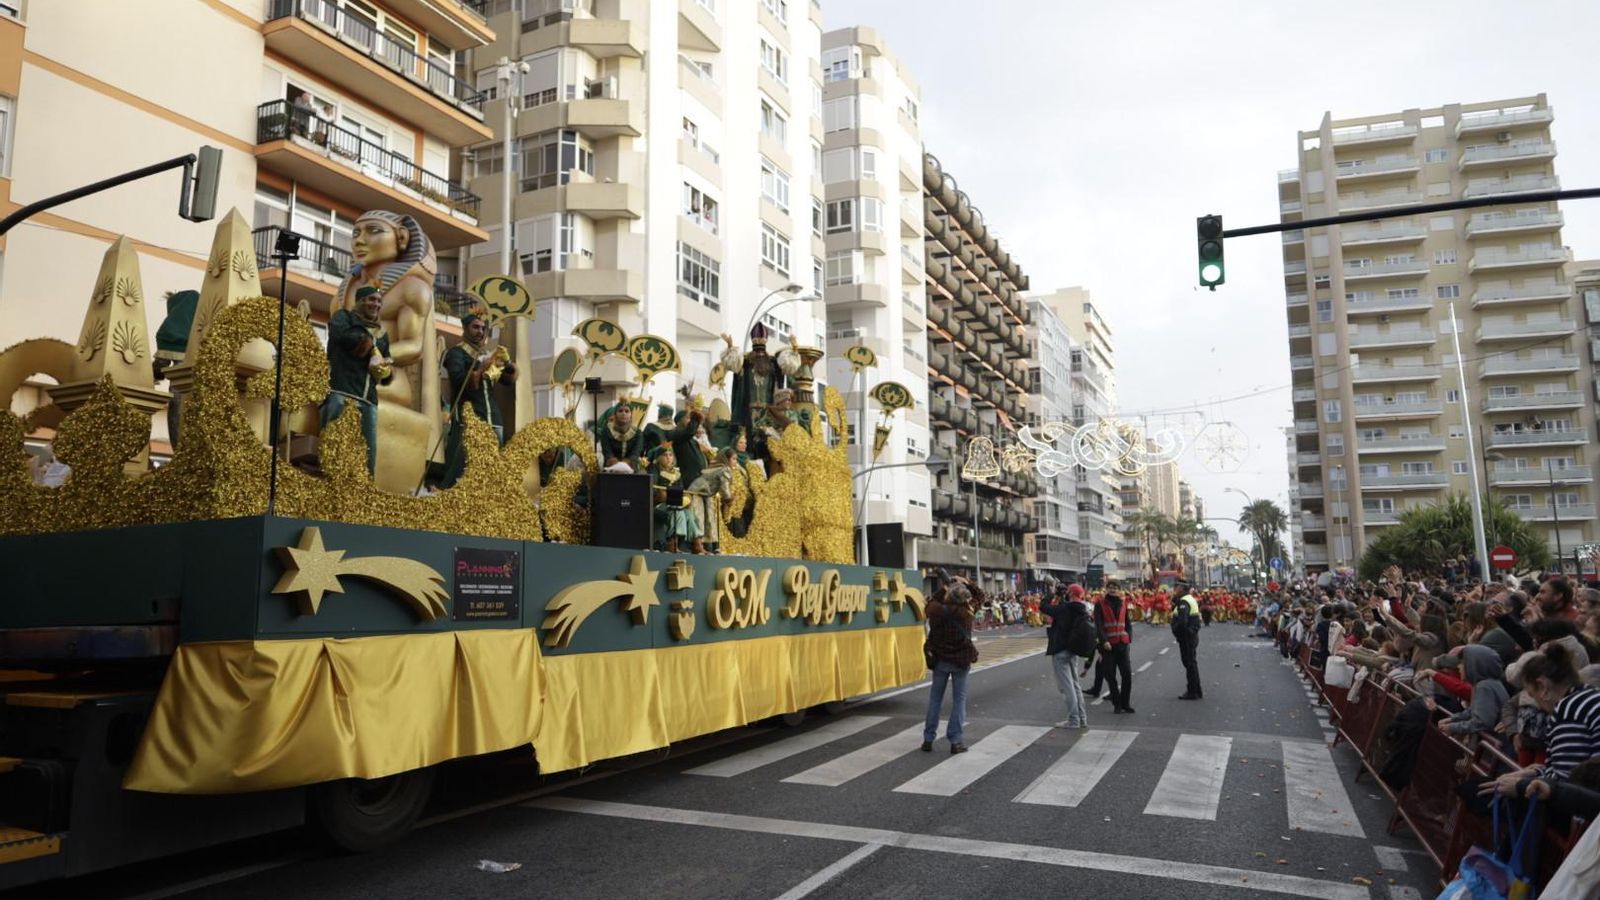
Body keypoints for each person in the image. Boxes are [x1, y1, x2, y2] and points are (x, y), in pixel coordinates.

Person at [320, 286, 393, 475]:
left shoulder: (382, 334)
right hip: (340, 390)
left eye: (379, 301)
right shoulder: (343, 317)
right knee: (334, 443)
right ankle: (329, 479)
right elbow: (342, 335)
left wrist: (385, 371)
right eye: (372, 299)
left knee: (368, 452)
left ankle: (365, 486)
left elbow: (386, 363)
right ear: (361, 301)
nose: (376, 304)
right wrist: (370, 346)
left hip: (368, 399)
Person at [440, 313, 515, 488]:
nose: (480, 332)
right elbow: (458, 380)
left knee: (492, 468)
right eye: (475, 327)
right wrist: (481, 368)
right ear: (465, 328)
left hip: (493, 418)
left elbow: (507, 380)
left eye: (483, 328)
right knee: (460, 468)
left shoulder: (487, 354)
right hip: (469, 418)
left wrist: (508, 363)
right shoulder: (455, 353)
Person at [922, 574, 980, 754]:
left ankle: (928, 739)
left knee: (935, 699)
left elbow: (930, 603)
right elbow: (980, 596)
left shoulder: (936, 611)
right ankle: (955, 741)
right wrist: (967, 582)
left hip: (940, 660)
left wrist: (945, 587)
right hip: (961, 661)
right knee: (959, 701)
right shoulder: (967, 613)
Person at [1040, 584, 1093, 729]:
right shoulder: (1082, 609)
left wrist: (1052, 593)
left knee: (1067, 687)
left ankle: (1073, 720)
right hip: (1073, 650)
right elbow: (1065, 609)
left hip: (1061, 650)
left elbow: (1044, 607)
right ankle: (1082, 719)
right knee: (1075, 685)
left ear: (1070, 594)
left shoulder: (1064, 608)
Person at [1095, 588, 1135, 713]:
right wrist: (1104, 641)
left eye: (1115, 587)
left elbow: (1127, 623)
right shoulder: (1100, 604)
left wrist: (1129, 636)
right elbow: (1098, 625)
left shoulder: (1123, 603)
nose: (1112, 589)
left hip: (1123, 644)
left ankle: (1125, 703)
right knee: (1110, 676)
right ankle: (1117, 704)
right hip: (1108, 646)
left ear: (1119, 590)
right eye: (1110, 587)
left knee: (1127, 674)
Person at [1171, 579, 1203, 700]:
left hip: (1186, 636)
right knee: (1192, 663)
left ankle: (1192, 691)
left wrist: (1176, 630)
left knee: (1189, 664)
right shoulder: (1190, 598)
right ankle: (1197, 690)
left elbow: (1182, 621)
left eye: (1176, 586)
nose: (1175, 589)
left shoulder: (1184, 601)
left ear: (1182, 588)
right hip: (1191, 635)